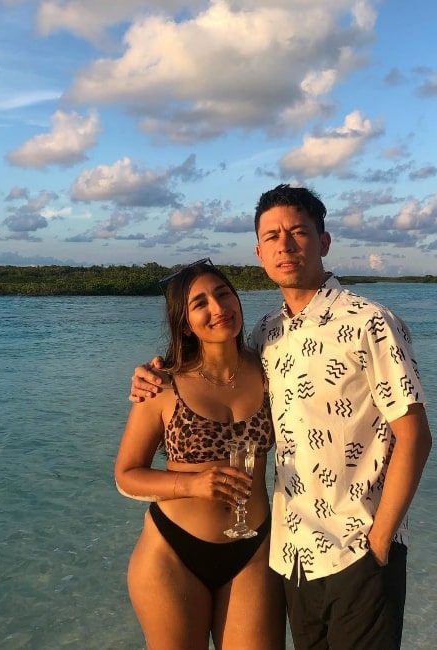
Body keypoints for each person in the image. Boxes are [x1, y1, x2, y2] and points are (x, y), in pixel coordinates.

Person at [130, 185, 433, 650]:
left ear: (323, 242)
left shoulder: (369, 321)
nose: (285, 245)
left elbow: (414, 436)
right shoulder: (266, 334)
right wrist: (151, 373)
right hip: (293, 553)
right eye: (272, 236)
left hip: (358, 547)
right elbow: (213, 372)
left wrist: (381, 541)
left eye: (297, 232)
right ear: (259, 252)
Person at [115, 259, 285, 650]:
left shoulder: (271, 369)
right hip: (173, 553)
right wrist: (191, 483)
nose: (218, 307)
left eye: (223, 294)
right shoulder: (162, 385)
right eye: (200, 303)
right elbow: (126, 474)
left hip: (253, 549)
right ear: (185, 322)